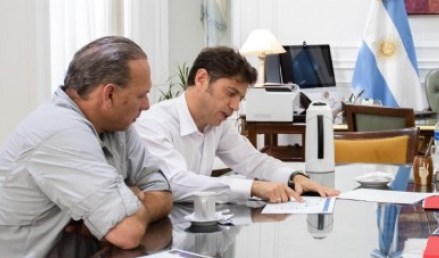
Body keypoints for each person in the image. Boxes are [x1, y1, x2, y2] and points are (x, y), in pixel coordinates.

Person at [0, 36, 172, 258]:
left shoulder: (117, 126)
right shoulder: (61, 130)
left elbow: (162, 189)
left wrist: (130, 205)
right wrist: (133, 197)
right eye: (141, 95)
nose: (147, 105)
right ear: (109, 94)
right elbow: (128, 232)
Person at [135, 46, 339, 204]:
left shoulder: (217, 124)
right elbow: (176, 183)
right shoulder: (153, 124)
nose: (234, 106)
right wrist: (253, 187)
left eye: (240, 98)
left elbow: (252, 161)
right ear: (201, 79)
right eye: (230, 93)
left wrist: (295, 176)